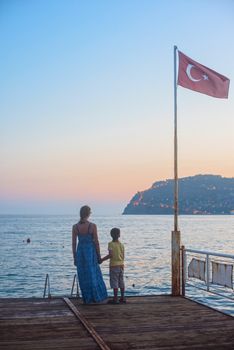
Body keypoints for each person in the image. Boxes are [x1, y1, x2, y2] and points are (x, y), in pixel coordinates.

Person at [72, 205, 108, 304]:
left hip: (80, 253)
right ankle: (96, 297)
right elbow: (96, 241)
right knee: (93, 274)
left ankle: (87, 299)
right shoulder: (92, 226)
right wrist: (99, 255)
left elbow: (74, 243)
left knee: (83, 276)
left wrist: (74, 257)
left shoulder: (75, 227)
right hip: (90, 252)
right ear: (88, 214)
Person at [100, 227, 126, 304]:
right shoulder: (122, 245)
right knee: (121, 281)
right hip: (121, 265)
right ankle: (122, 297)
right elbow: (123, 256)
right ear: (119, 235)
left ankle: (115, 299)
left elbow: (110, 255)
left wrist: (101, 259)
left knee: (114, 282)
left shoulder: (110, 244)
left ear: (111, 235)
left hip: (114, 266)